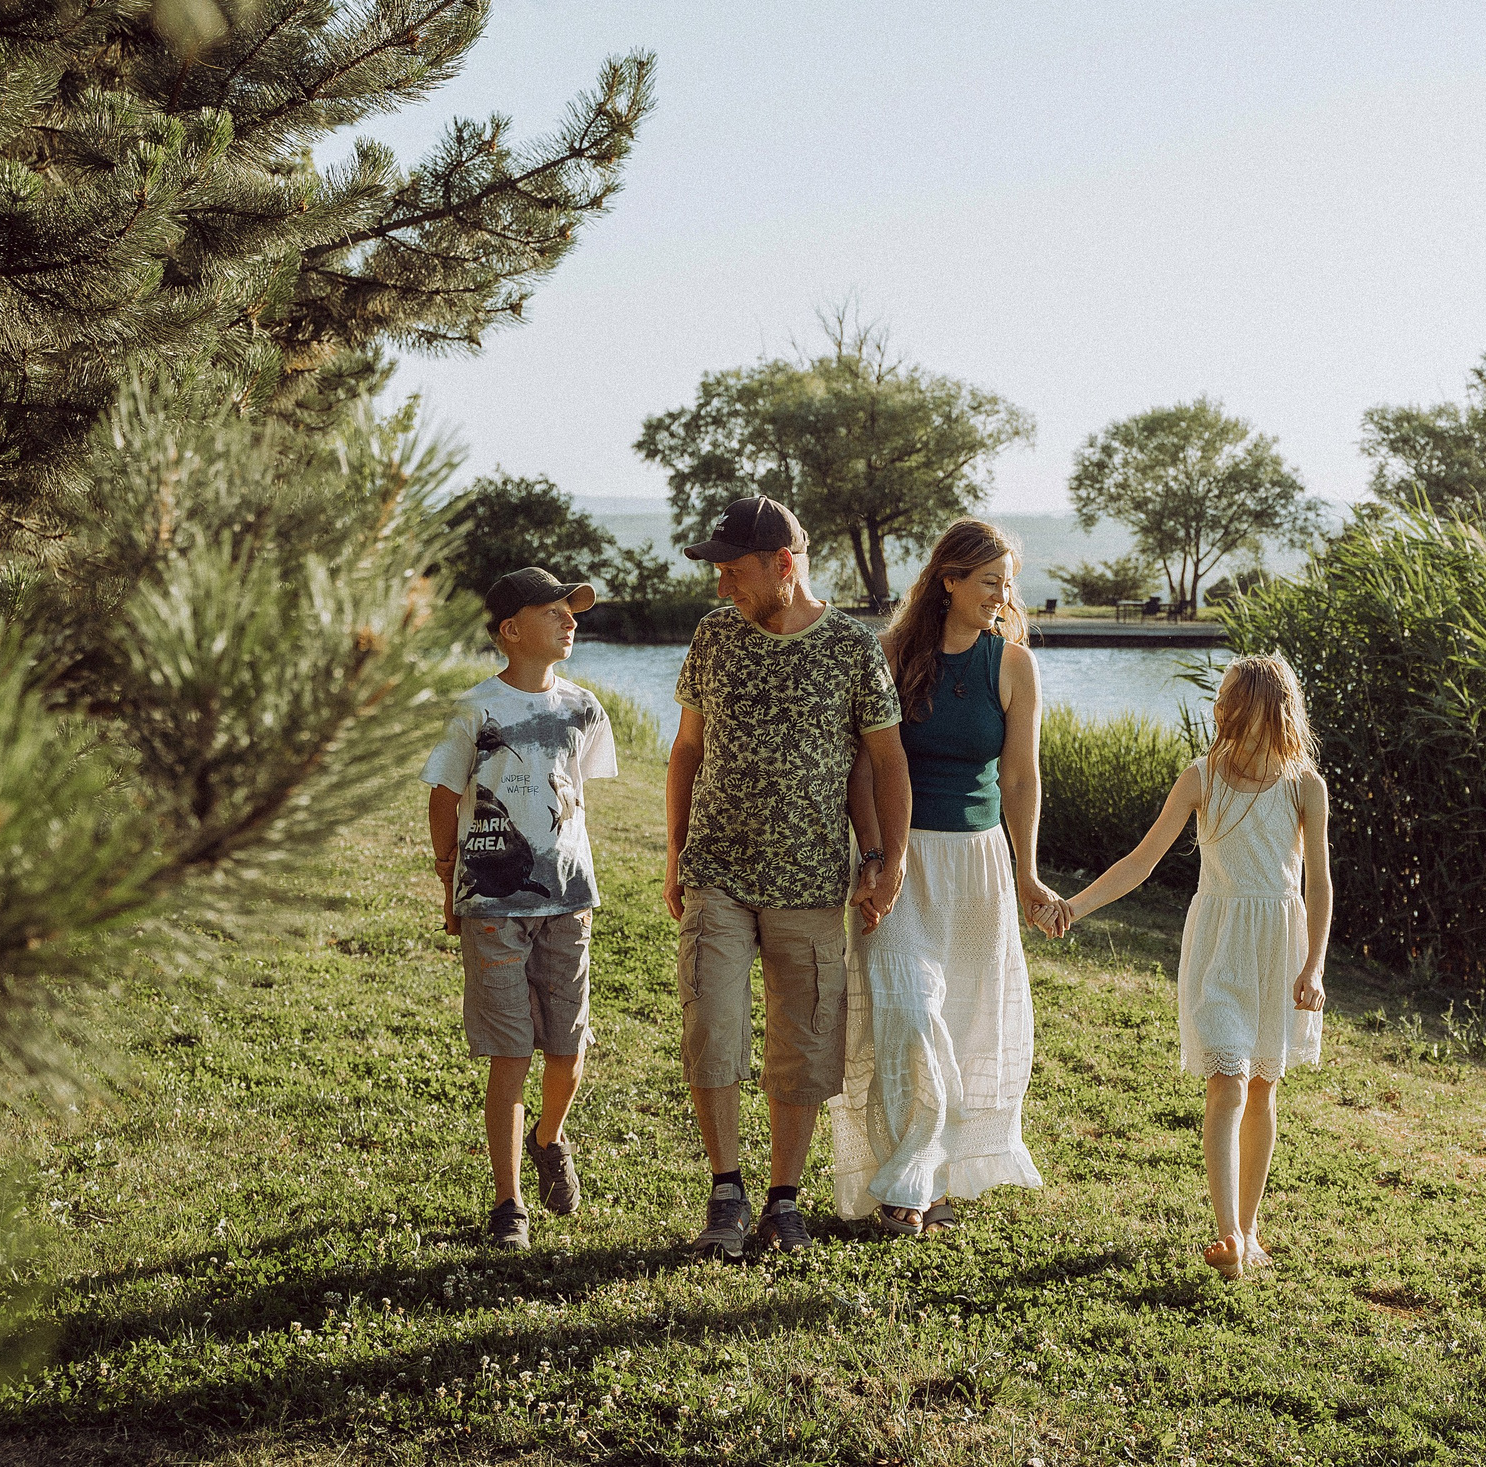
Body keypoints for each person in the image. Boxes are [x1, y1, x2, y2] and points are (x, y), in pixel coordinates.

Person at [668, 495, 912, 1257]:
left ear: (784, 564)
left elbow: (885, 758)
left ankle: (783, 1198)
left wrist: (889, 859)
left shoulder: (850, 645)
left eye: (733, 571)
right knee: (712, 1019)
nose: (722, 588)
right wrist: (674, 851)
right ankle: (725, 1192)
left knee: (802, 1043)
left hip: (810, 878)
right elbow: (685, 750)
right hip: (717, 869)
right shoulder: (714, 636)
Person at [1053, 654, 1333, 1279]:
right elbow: (1141, 861)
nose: (1218, 709)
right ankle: (1228, 1234)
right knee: (1227, 1079)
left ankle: (1251, 1228)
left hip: (1280, 952)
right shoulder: (1201, 778)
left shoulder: (1303, 787)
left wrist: (1313, 967)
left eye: (1229, 698)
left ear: (1262, 709)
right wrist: (1075, 906)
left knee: (1262, 1084)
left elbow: (1320, 884)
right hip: (1218, 949)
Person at [830, 520, 1055, 1235]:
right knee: (906, 1014)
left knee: (959, 1023)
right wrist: (872, 857)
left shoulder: (1013, 664)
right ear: (949, 579)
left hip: (978, 866)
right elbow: (862, 766)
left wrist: (1029, 872)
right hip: (901, 859)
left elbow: (1020, 777)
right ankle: (909, 1175)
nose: (1002, 594)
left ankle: (923, 1180)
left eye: (1008, 582)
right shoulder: (890, 655)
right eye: (989, 579)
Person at [422, 567, 619, 1251]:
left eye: (574, 610)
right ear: (511, 630)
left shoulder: (585, 707)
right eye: (553, 610)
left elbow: (572, 792)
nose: (570, 619)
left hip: (568, 900)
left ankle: (549, 1135)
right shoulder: (474, 708)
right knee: (509, 1052)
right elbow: (445, 794)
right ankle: (508, 1206)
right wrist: (450, 878)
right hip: (492, 903)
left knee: (567, 1049)